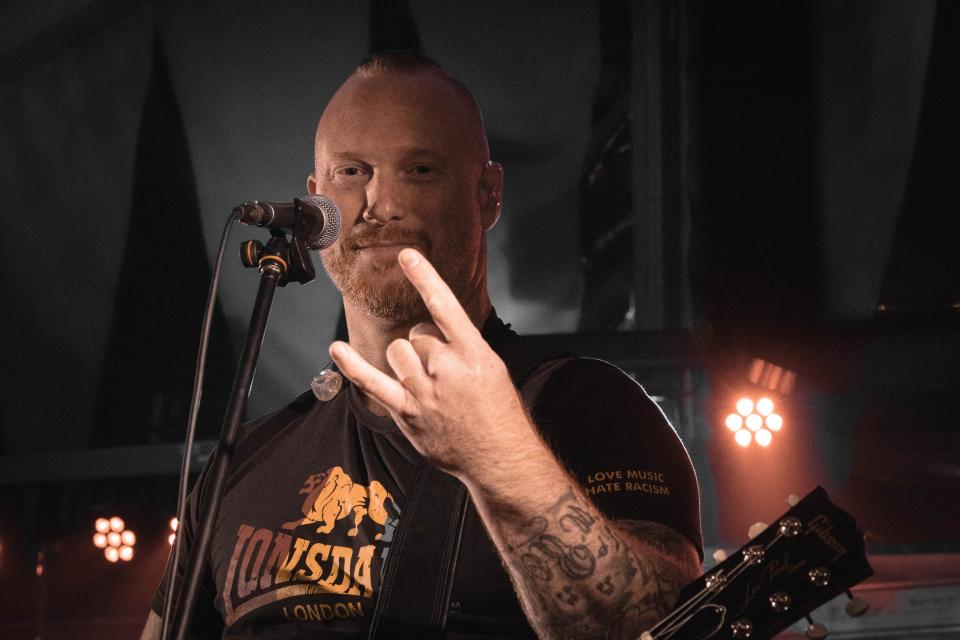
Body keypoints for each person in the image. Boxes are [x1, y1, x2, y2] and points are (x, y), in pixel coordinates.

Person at [142, 51, 702, 640]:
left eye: (420, 170)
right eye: (351, 172)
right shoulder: (244, 461)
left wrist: (499, 459)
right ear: (314, 201)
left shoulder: (589, 409)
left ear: (487, 195)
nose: (380, 205)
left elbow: (660, 625)